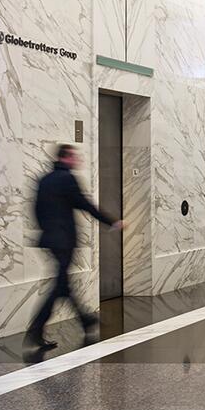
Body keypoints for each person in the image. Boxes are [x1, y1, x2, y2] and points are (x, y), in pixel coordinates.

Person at [26, 144, 123, 358]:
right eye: (74, 156)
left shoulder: (44, 180)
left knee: (63, 286)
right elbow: (85, 205)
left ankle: (86, 321)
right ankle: (35, 330)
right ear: (66, 158)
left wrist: (47, 230)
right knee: (59, 287)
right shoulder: (67, 179)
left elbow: (36, 209)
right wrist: (112, 222)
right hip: (63, 241)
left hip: (50, 239)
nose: (77, 160)